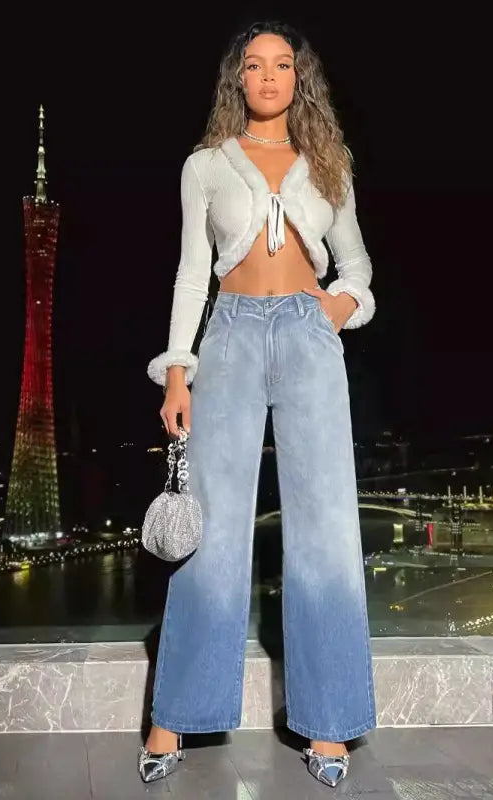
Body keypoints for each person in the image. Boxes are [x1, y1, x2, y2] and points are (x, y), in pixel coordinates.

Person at [139, 19, 377, 788]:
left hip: (309, 342)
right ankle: (175, 713)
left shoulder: (328, 162)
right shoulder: (205, 165)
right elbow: (189, 274)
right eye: (254, 65)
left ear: (297, 78)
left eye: (281, 65)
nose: (268, 76)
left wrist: (330, 313)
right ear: (235, 79)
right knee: (210, 529)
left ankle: (331, 722)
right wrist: (179, 372)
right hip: (231, 339)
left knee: (327, 528)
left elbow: (357, 268)